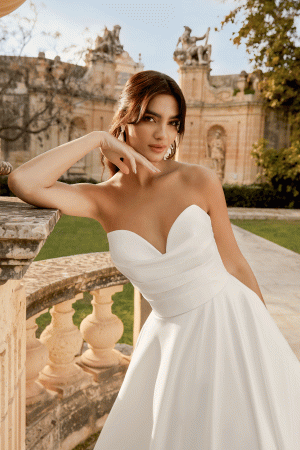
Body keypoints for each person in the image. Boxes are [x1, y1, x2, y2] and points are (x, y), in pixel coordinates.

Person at [7, 70, 300, 449]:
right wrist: (96, 138)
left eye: (172, 122)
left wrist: (266, 333)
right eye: (149, 119)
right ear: (126, 120)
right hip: (171, 341)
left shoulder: (200, 180)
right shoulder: (103, 199)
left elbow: (236, 264)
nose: (163, 135)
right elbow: (24, 182)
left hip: (234, 321)